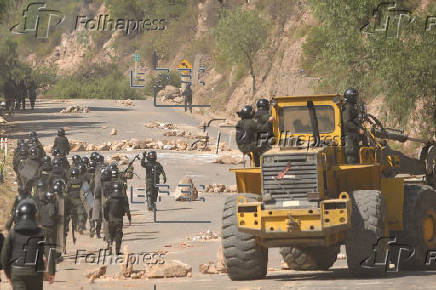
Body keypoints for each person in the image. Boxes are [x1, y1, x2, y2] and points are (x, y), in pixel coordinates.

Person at [1, 200, 56, 289]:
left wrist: (8, 274)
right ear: (35, 215)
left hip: (17, 273)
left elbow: (4, 256)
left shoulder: (13, 233)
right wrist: (52, 272)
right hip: (35, 273)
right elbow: (49, 252)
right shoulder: (41, 233)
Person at [103, 182, 129, 255]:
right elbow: (126, 208)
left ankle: (110, 247)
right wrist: (129, 216)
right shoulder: (122, 199)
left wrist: (106, 217)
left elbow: (105, 208)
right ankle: (117, 251)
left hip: (111, 219)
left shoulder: (110, 199)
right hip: (119, 220)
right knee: (119, 235)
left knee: (110, 234)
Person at [342, 88, 362, 164]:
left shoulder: (351, 106)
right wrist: (358, 129)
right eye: (355, 96)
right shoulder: (347, 107)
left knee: (355, 154)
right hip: (349, 136)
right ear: (351, 97)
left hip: (353, 135)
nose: (356, 98)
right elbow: (347, 122)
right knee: (351, 154)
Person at [65, 168, 85, 235]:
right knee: (80, 213)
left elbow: (66, 190)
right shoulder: (80, 181)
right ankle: (81, 226)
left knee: (69, 213)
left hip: (70, 200)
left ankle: (69, 227)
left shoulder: (69, 181)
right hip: (78, 199)